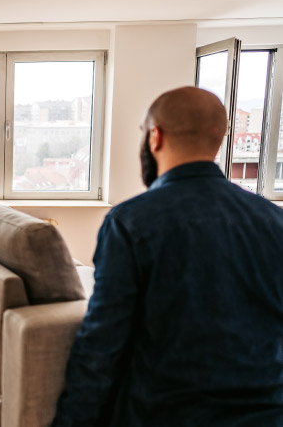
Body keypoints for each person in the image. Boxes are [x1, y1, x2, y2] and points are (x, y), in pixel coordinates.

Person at [52, 86, 283, 426]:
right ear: (218, 143)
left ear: (154, 138)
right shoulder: (274, 221)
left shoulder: (130, 222)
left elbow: (102, 345)